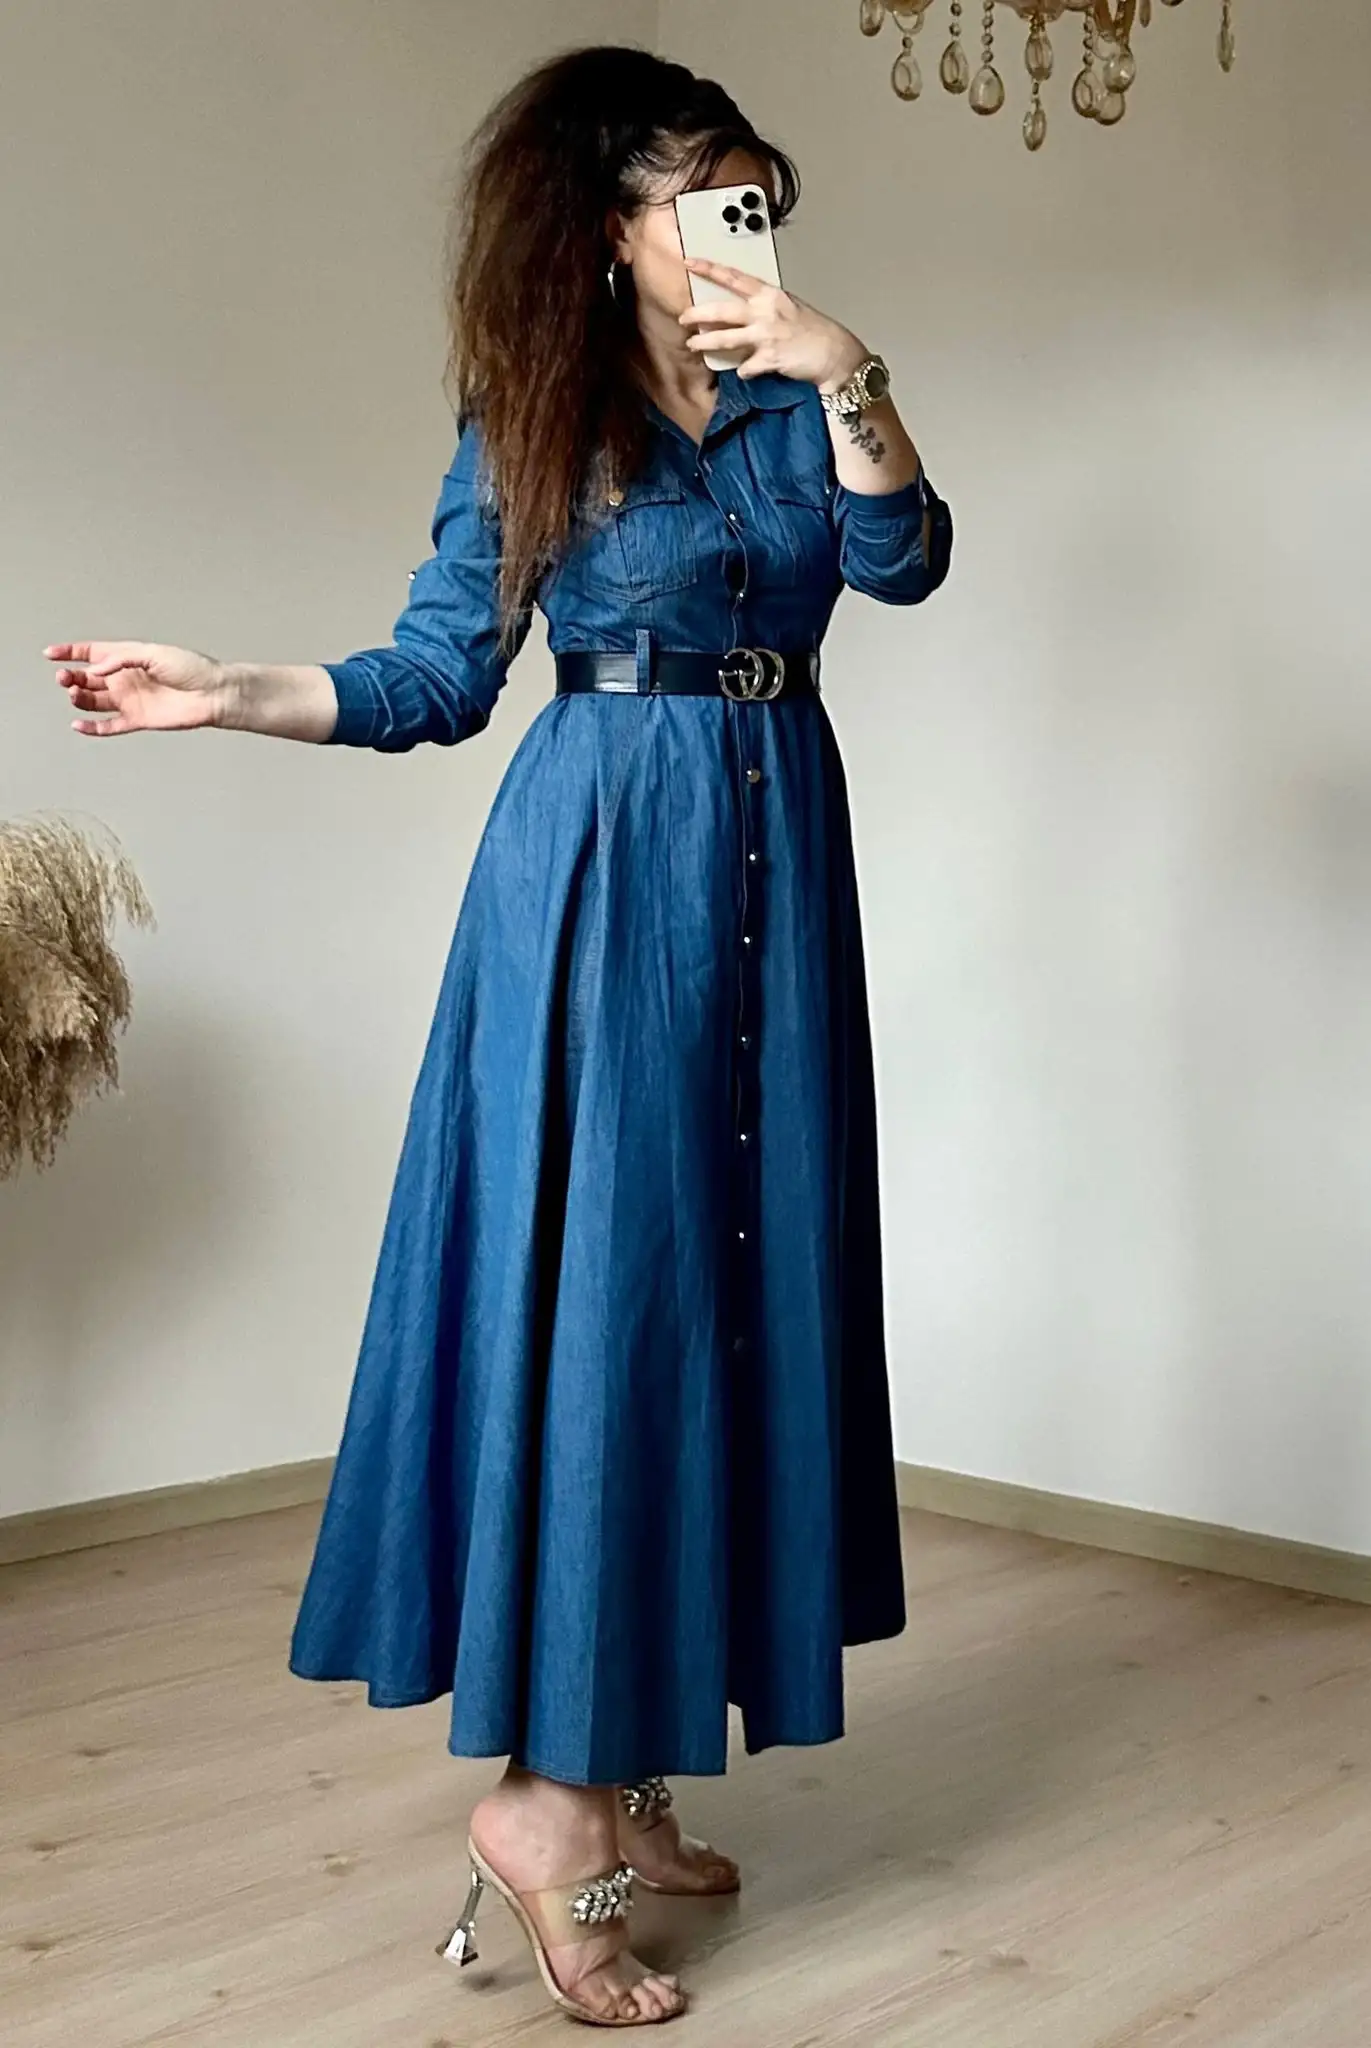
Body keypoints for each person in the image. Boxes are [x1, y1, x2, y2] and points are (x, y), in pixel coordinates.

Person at [45, 44, 952, 2030]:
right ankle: (545, 1809)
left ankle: (630, 1766)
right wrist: (230, 690)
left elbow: (904, 559)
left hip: (776, 857)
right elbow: (440, 671)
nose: (743, 233)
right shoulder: (538, 409)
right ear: (609, 223)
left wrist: (848, 369)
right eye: (704, 201)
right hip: (601, 878)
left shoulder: (802, 393)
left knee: (731, 1292)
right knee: (613, 1301)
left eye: (758, 195)